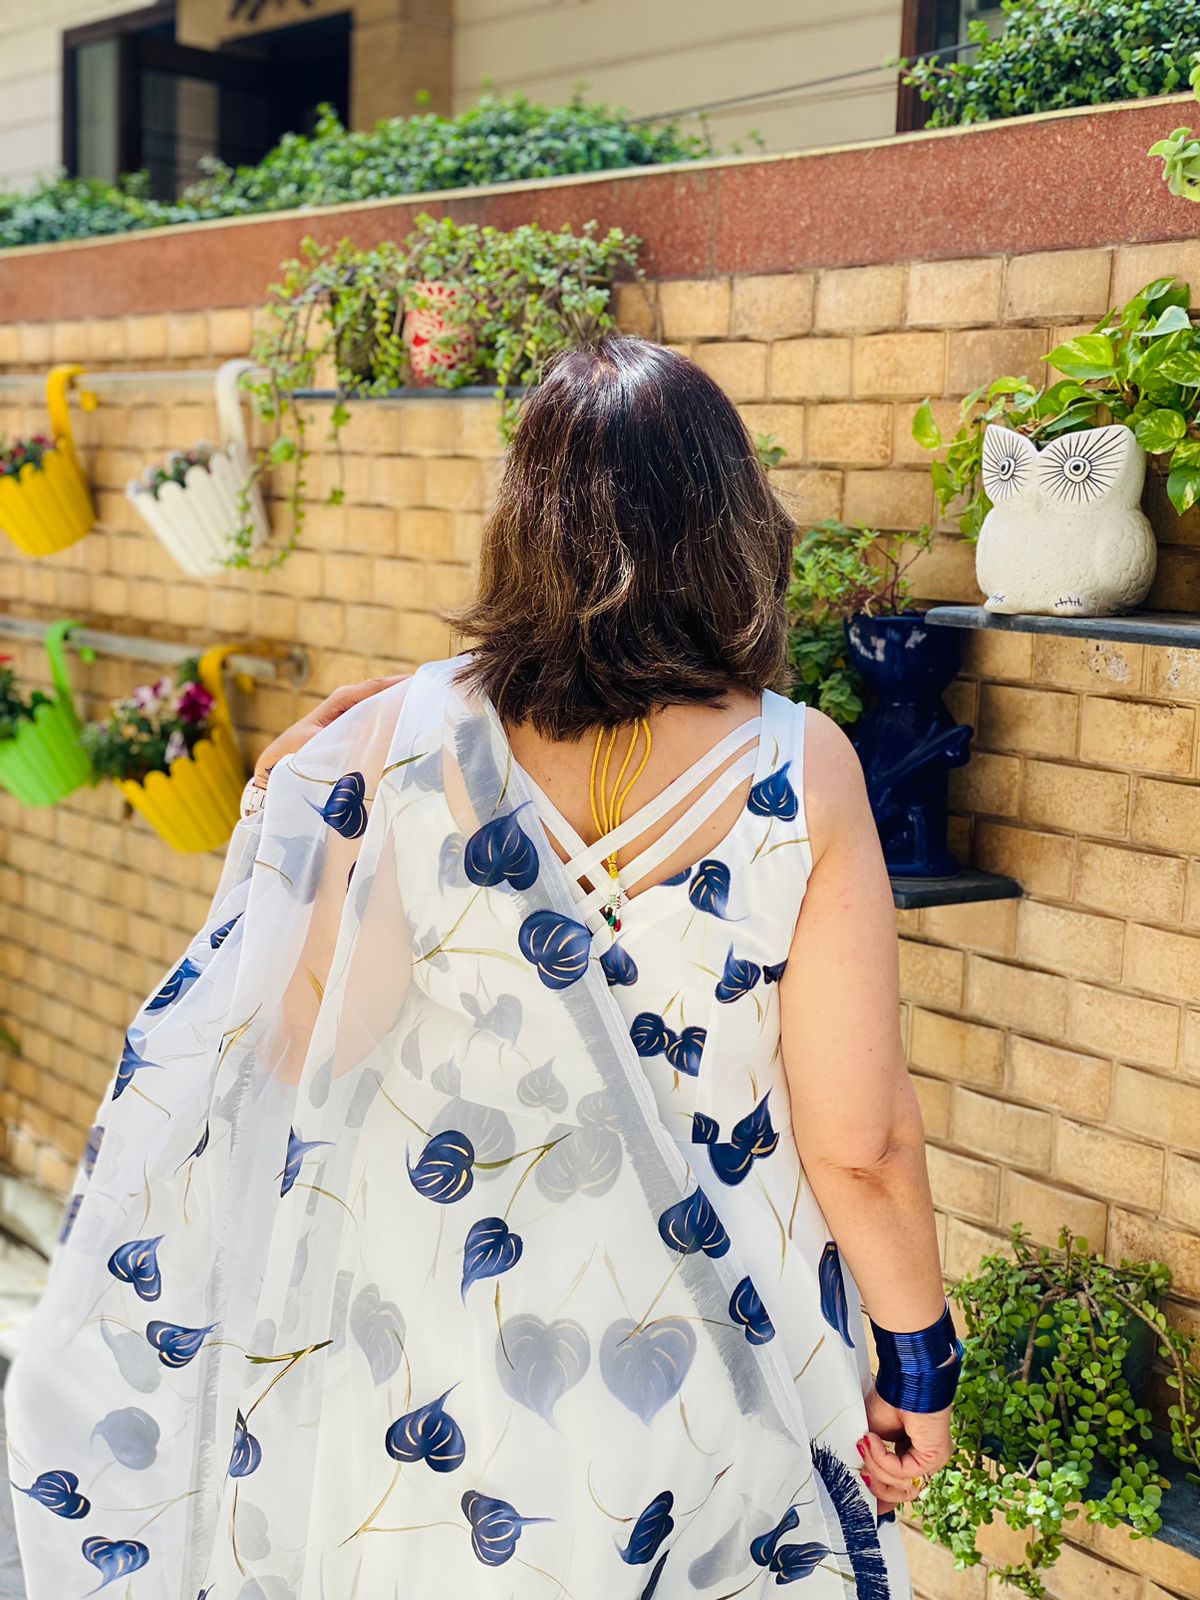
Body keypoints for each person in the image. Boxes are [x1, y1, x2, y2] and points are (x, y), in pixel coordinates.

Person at [6, 336, 956, 1599]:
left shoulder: (405, 742)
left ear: (528, 528)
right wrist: (918, 1364)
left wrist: (301, 808)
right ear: (732, 524)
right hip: (717, 1340)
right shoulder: (800, 767)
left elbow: (309, 1051)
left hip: (438, 1343)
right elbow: (861, 1144)